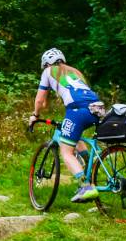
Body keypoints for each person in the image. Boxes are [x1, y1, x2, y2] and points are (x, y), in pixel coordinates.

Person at [28, 48, 104, 202]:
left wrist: (35, 115)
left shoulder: (48, 71)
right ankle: (91, 164)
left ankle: (85, 186)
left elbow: (40, 101)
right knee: (75, 137)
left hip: (77, 111)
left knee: (66, 151)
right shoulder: (74, 71)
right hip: (99, 108)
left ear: (46, 64)